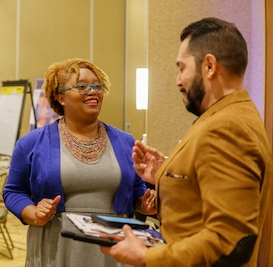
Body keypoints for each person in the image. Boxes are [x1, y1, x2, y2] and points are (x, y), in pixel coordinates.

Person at [100, 17, 272, 267]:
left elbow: (231, 243)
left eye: (182, 68)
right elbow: (203, 197)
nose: (178, 81)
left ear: (209, 66)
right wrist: (166, 172)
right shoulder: (226, 115)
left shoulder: (226, 127)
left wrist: (146, 256)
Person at [3, 58, 157, 267]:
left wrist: (144, 203)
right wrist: (33, 213)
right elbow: (13, 192)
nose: (93, 91)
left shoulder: (125, 141)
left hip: (113, 249)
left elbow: (136, 188)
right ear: (60, 97)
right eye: (82, 86)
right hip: (56, 248)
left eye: (98, 85)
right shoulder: (31, 143)